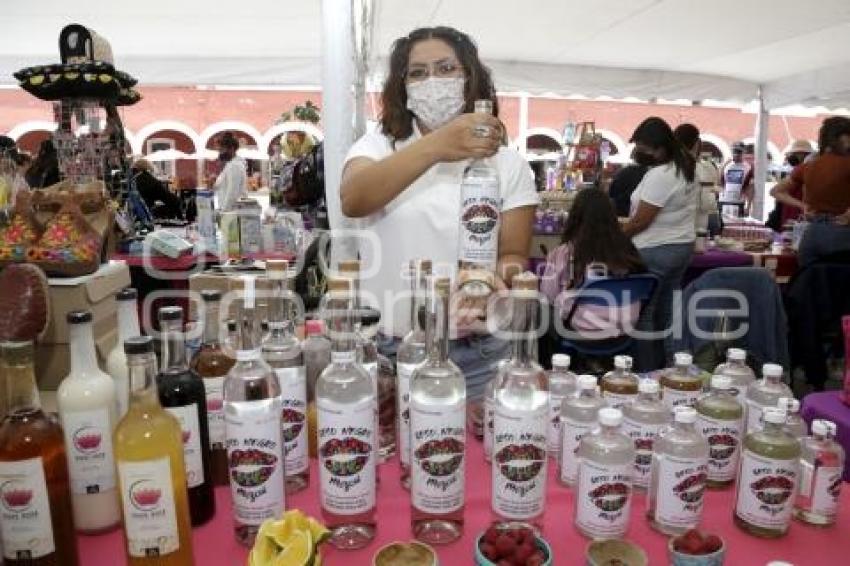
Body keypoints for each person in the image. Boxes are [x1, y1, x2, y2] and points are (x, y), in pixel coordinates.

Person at [339, 26, 539, 400]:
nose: (433, 80)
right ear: (403, 87)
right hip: (391, 349)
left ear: (470, 77)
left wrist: (492, 280)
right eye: (418, 72)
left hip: (478, 351)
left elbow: (513, 254)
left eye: (446, 68)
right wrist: (437, 146)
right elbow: (354, 198)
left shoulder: (507, 164)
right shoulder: (380, 145)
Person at [622, 117, 697, 370]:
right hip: (681, 247)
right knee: (667, 314)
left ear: (660, 147)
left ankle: (647, 373)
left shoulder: (661, 176)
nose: (642, 153)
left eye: (646, 148)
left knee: (644, 315)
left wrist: (616, 237)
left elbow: (641, 221)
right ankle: (673, 368)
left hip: (656, 250)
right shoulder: (685, 167)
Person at [540, 188, 645, 332]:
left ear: (574, 217)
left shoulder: (565, 252)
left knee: (541, 311)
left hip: (581, 328)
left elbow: (548, 296)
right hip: (625, 326)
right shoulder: (627, 250)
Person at [791, 117, 850, 266]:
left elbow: (776, 191)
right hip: (841, 231)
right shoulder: (845, 164)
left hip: (813, 232)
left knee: (809, 281)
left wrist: (803, 206)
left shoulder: (810, 166)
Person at [673, 123, 719, 234]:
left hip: (674, 228)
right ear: (697, 143)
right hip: (698, 226)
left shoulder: (667, 168)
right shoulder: (705, 169)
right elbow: (707, 203)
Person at [766, 139, 815, 230]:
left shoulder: (802, 170)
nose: (792, 156)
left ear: (803, 154)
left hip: (797, 217)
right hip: (790, 217)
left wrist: (802, 205)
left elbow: (774, 191)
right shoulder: (797, 171)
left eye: (795, 153)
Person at [210, 132, 246, 212]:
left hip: (231, 214)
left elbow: (232, 193)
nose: (220, 153)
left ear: (232, 149)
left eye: (222, 149)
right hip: (229, 212)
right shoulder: (229, 165)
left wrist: (223, 212)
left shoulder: (234, 165)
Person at [608, 150, 651, 217]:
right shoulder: (649, 173)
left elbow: (612, 192)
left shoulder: (623, 172)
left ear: (634, 158)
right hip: (640, 210)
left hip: (621, 209)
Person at [720, 142, 750, 217]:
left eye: (739, 152)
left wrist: (748, 207)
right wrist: (722, 166)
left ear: (744, 153)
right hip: (724, 201)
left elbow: (751, 188)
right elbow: (719, 182)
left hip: (739, 202)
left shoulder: (748, 167)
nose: (736, 154)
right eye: (734, 152)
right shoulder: (727, 165)